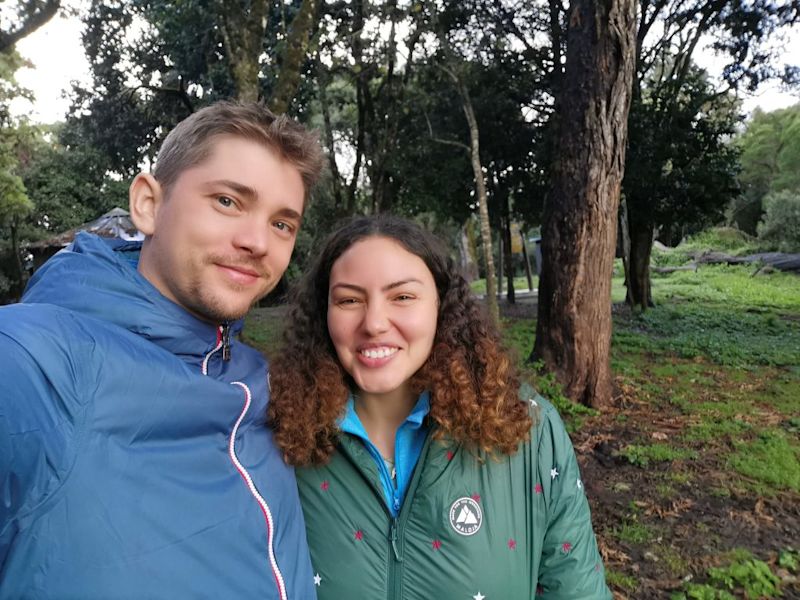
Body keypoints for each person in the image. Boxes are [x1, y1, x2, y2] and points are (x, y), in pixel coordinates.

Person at [0, 101, 324, 599]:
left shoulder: (261, 382)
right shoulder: (40, 361)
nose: (258, 241)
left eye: (282, 224)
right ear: (149, 203)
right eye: (228, 201)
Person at [268, 214, 612, 599]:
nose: (374, 323)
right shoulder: (277, 437)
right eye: (349, 300)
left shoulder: (529, 429)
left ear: (440, 305)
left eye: (402, 297)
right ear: (323, 313)